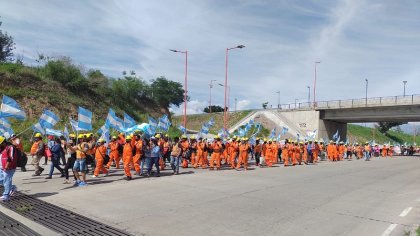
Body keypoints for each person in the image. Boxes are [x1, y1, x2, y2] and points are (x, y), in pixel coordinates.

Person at [0, 136, 18, 202]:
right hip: (1, 167)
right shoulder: (2, 147)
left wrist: (7, 166)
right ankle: (12, 187)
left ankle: (6, 196)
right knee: (1, 181)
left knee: (7, 181)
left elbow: (11, 157)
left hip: (8, 168)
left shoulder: (11, 147)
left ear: (3, 142)